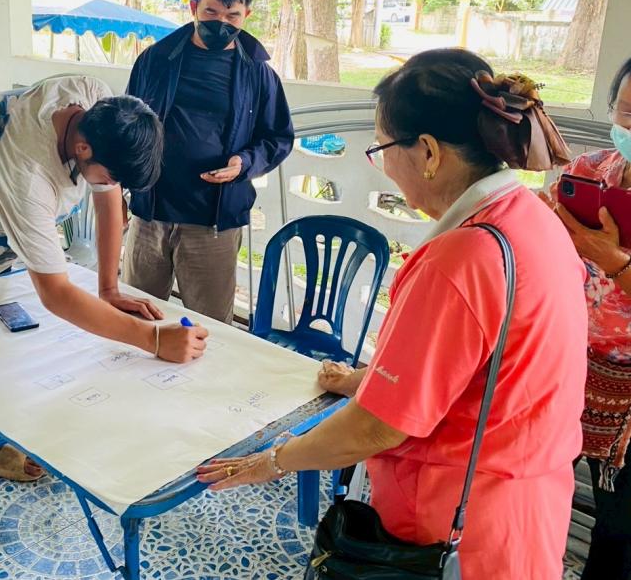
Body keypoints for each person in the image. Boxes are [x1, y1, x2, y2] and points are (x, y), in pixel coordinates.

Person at [197, 49, 587, 578]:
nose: (383, 165)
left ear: (428, 151)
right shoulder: (532, 219)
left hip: (451, 527)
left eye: (382, 148)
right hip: (525, 509)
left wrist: (272, 460)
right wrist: (367, 380)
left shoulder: (462, 257)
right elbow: (486, 369)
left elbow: (377, 429)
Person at [0, 74, 209, 533]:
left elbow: (107, 196)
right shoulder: (27, 172)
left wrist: (109, 288)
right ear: (82, 148)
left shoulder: (97, 105)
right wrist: (153, 340)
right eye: (111, 174)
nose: (113, 185)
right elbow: (56, 294)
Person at [123, 0, 293, 325]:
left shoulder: (258, 74)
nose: (221, 23)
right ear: (193, 7)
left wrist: (244, 163)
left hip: (213, 224)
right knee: (136, 319)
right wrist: (123, 186)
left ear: (246, 14)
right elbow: (127, 123)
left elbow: (278, 138)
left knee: (211, 328)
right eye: (211, 12)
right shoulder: (155, 60)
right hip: (151, 215)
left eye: (232, 16)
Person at [541, 57, 631, 580]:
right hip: (571, 362)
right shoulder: (589, 171)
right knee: (540, 488)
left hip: (628, 396)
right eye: (629, 113)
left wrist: (612, 260)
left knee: (620, 528)